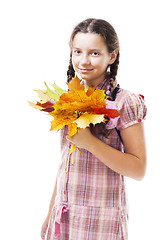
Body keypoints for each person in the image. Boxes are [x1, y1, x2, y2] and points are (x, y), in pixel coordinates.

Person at [41, 18, 147, 240]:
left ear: (113, 55)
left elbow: (138, 168)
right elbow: (66, 164)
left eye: (94, 53)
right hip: (65, 218)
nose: (84, 60)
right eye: (77, 51)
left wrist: (89, 142)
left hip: (100, 224)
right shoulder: (69, 100)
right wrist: (50, 213)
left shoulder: (124, 101)